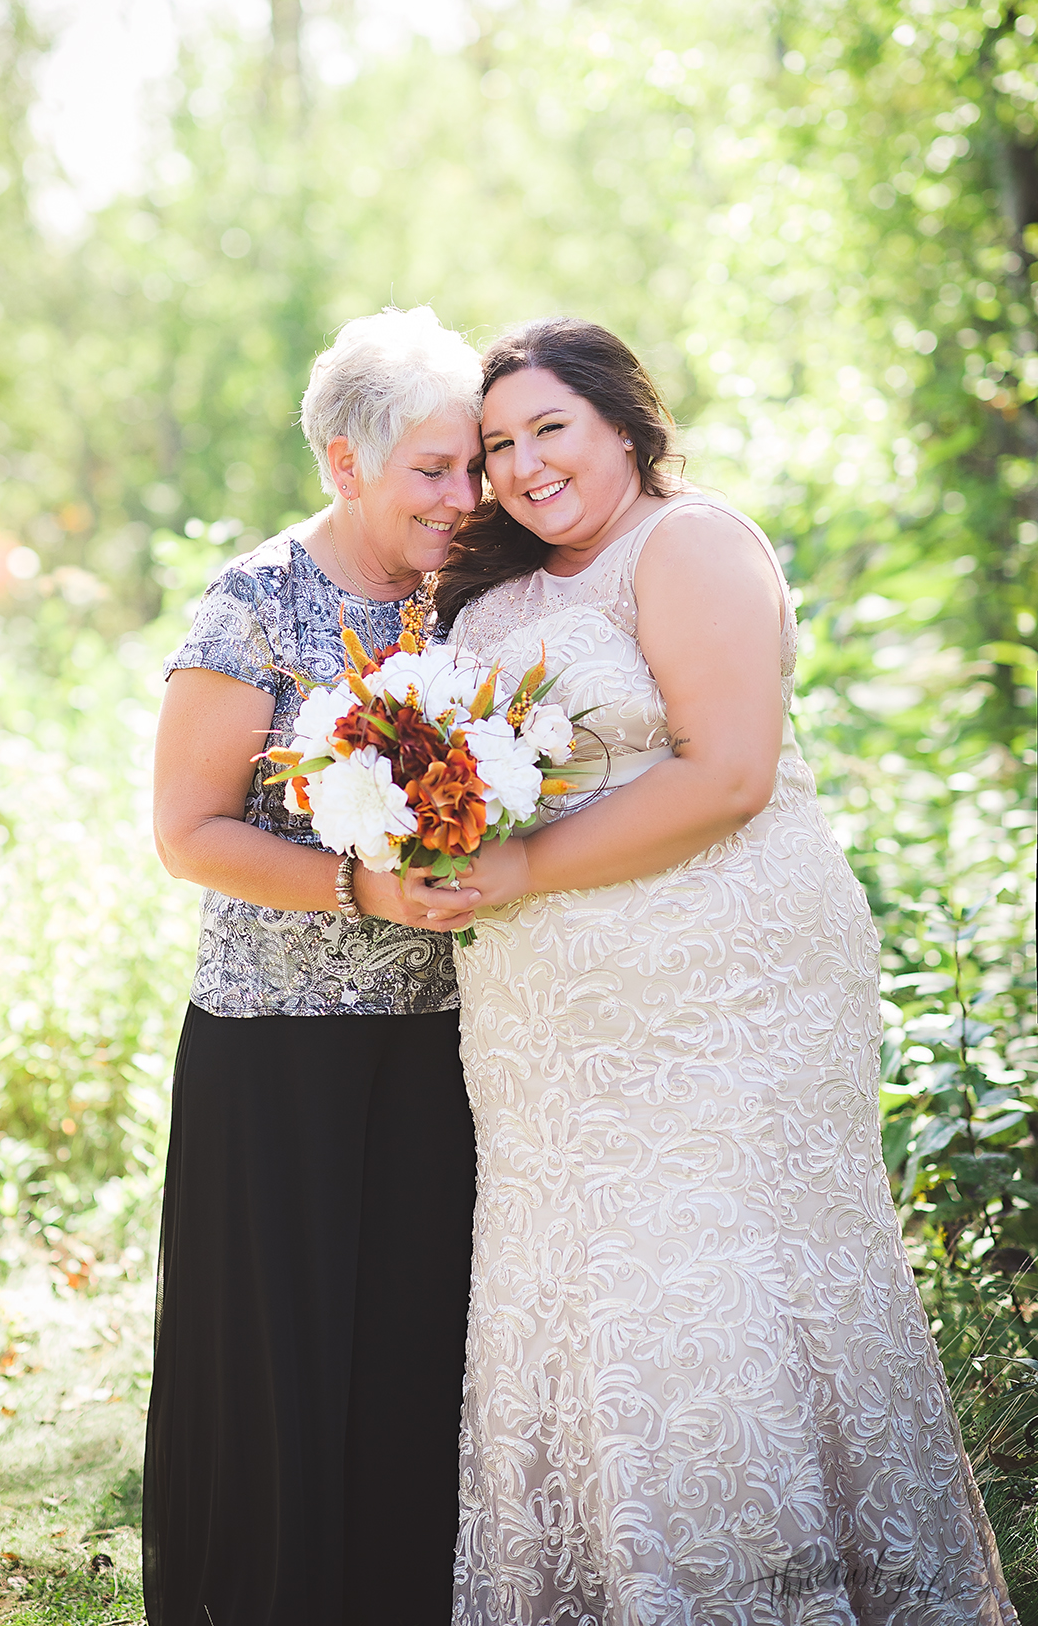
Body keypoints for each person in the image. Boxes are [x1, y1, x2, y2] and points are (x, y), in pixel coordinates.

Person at [423, 318, 1016, 1625]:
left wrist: (519, 873)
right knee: (577, 1282)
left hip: (726, 995)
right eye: (499, 445)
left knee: (716, 1279)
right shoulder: (488, 600)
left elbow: (731, 773)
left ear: (625, 425)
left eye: (549, 429)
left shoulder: (689, 543)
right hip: (546, 1021)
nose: (524, 465)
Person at [142, 305, 482, 1626]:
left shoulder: (472, 594)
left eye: (472, 467)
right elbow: (188, 834)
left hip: (440, 1040)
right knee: (283, 1355)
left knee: (413, 1343)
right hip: (277, 1041)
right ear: (345, 464)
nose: (463, 498)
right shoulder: (255, 599)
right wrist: (363, 887)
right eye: (432, 473)